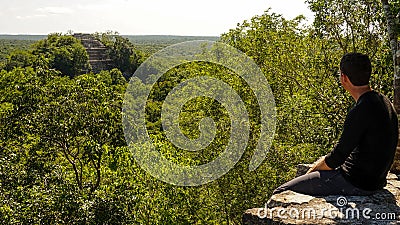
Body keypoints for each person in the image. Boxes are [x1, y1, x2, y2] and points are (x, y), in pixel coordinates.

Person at [273, 52, 399, 196]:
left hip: (355, 183)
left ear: (344, 78)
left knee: (282, 192)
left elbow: (337, 157)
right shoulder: (384, 101)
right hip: (376, 182)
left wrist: (312, 171)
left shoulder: (360, 111)